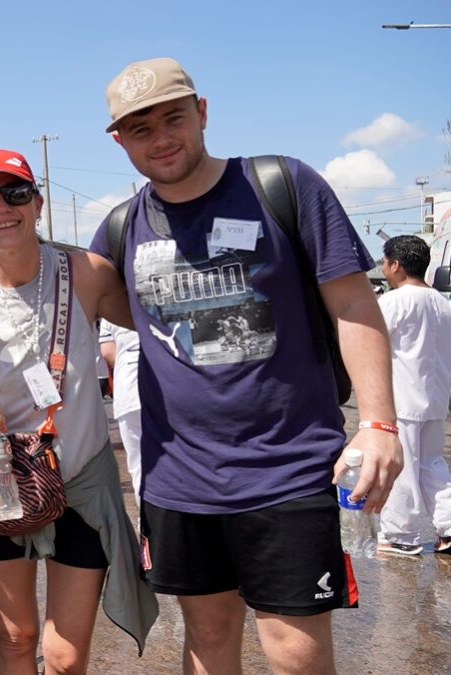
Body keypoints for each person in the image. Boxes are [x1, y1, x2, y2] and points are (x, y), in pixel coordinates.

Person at [88, 57, 402, 673]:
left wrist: (379, 423)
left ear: (202, 112)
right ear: (119, 140)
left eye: (173, 118)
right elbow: (79, 296)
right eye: (141, 129)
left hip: (286, 469)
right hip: (178, 480)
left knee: (296, 652)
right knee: (207, 639)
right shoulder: (122, 226)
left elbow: (353, 303)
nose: (162, 139)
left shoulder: (282, 185)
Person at [0, 147, 156, 674]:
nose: (1, 208)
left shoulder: (88, 274)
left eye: (15, 193)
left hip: (82, 480)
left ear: (39, 202)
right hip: (2, 481)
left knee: (65, 655)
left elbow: (161, 327)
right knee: (14, 639)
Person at [376, 235, 451, 557]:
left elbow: (372, 343)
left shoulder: (393, 302)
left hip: (403, 397)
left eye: (384, 262)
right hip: (436, 398)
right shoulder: (442, 303)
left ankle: (399, 536)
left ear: (396, 264)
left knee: (404, 465)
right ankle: (449, 528)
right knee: (433, 465)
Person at [98, 320, 143, 506]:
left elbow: (108, 351)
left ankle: (147, 523)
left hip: (130, 390)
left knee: (140, 464)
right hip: (167, 389)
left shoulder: (110, 310)